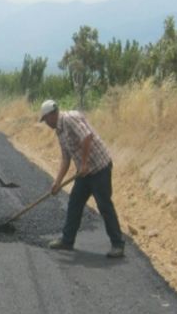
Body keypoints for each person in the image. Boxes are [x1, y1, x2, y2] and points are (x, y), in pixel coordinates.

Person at [39, 99, 125, 258]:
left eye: (45, 119)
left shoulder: (70, 119)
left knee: (104, 205)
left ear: (52, 114)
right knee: (74, 203)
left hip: (99, 168)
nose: (45, 123)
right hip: (84, 172)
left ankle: (118, 244)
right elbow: (66, 158)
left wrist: (84, 163)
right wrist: (57, 182)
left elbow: (87, 136)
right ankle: (67, 240)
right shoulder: (59, 130)